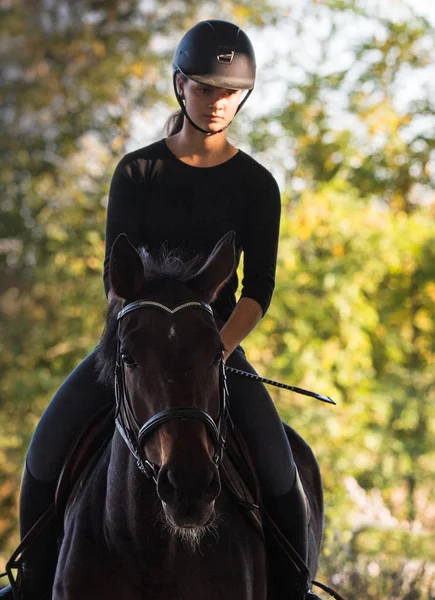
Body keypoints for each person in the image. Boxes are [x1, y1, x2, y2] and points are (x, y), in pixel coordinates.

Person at [0, 20, 321, 600]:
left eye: (231, 92)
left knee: (281, 471)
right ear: (180, 87)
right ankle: (30, 587)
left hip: (212, 348)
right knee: (45, 450)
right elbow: (115, 277)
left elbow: (257, 290)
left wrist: (212, 354)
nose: (219, 102)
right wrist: (151, 346)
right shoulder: (137, 171)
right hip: (138, 347)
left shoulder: (257, 184)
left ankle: (294, 592)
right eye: (206, 88)